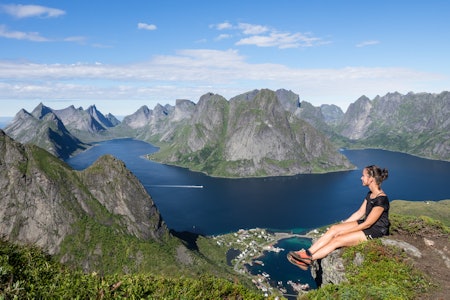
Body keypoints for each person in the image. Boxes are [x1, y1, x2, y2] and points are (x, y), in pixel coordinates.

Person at [287, 165, 390, 270]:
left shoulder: (381, 200)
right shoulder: (370, 194)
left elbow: (368, 223)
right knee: (334, 229)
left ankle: (309, 260)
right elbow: (359, 213)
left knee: (338, 239)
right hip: (366, 224)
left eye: (363, 176)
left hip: (375, 231)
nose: (361, 178)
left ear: (371, 179)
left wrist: (345, 232)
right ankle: (307, 253)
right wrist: (342, 226)